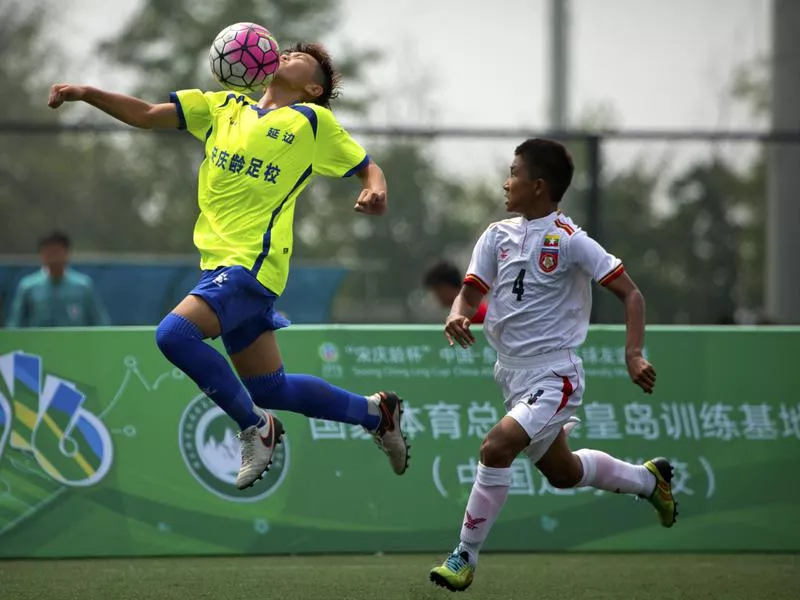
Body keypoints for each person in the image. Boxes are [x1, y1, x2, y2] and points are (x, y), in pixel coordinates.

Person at [47, 42, 409, 490]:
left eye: (300, 59)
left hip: (253, 266)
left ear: (314, 87)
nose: (285, 54)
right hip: (218, 268)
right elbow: (143, 113)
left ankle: (258, 427)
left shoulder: (313, 121)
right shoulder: (222, 106)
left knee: (173, 335)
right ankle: (376, 412)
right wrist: (86, 92)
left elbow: (368, 167)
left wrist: (376, 189)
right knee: (270, 389)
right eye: (286, 49)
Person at [429, 139, 676, 592]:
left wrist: (633, 353)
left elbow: (632, 294)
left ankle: (464, 555)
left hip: (554, 374)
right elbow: (469, 292)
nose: (507, 181)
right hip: (510, 372)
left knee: (495, 448)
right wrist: (455, 312)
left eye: (514, 172)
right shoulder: (495, 236)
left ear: (538, 185)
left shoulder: (570, 240)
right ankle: (647, 480)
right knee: (563, 474)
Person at [5, 231, 110, 328]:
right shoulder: (28, 287)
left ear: (67, 253)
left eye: (57, 252)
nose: (53, 257)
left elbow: (99, 324)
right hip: (38, 346)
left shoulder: (83, 287)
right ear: (41, 255)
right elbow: (15, 326)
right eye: (49, 252)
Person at [423, 260, 488, 324]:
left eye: (437, 289)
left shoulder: (471, 312)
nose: (436, 295)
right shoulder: (467, 309)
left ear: (447, 286)